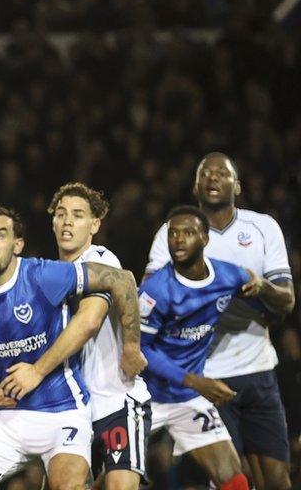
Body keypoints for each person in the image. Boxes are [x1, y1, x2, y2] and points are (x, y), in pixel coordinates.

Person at [0, 205, 146, 490]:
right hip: (9, 415)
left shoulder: (42, 275)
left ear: (17, 244)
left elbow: (123, 279)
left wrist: (131, 347)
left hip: (64, 413)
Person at [144, 153, 294, 490]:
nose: (213, 178)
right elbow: (151, 299)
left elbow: (287, 299)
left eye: (222, 174)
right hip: (204, 376)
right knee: (227, 479)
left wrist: (262, 287)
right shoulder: (174, 233)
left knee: (277, 480)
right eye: (205, 174)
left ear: (237, 186)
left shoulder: (263, 227)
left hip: (257, 369)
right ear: (195, 186)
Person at [44, 183, 151, 489]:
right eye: (61, 214)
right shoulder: (48, 274)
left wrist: (131, 346)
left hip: (115, 400)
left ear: (94, 224)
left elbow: (126, 282)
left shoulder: (100, 257)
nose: (67, 222)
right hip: (71, 410)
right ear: (52, 221)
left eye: (77, 215)